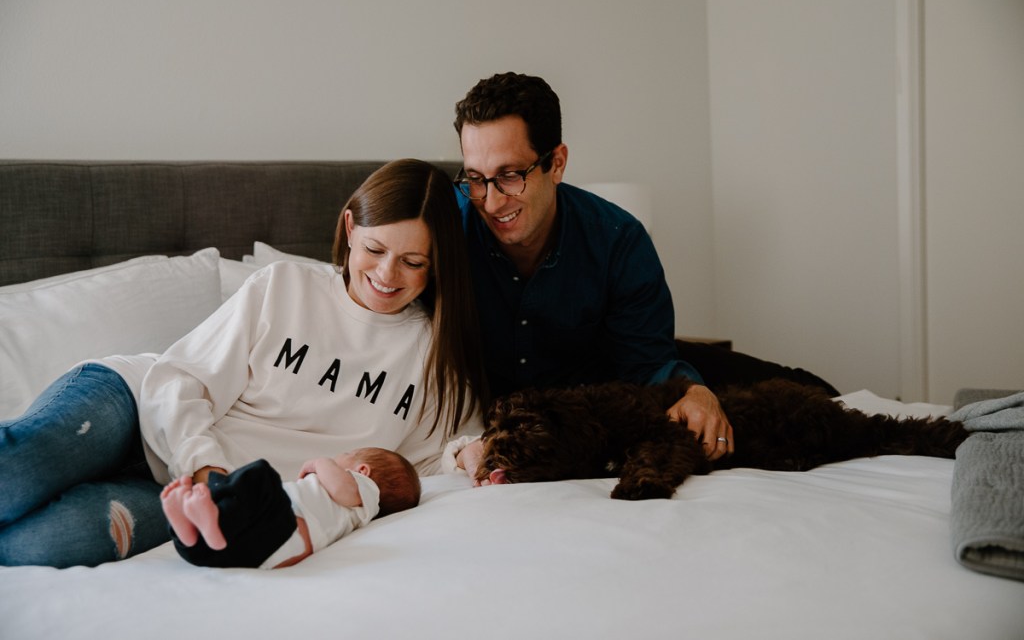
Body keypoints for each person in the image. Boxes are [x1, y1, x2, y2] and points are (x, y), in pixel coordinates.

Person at [0, 158, 487, 567]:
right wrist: (205, 467)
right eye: (374, 249)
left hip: (209, 501)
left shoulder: (435, 355)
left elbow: (430, 462)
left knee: (43, 546)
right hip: (138, 407)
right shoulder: (285, 286)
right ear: (350, 229)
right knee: (18, 473)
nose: (386, 273)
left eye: (413, 262)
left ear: (437, 263)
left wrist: (471, 455)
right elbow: (183, 378)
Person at [447, 72, 733, 480]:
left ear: (557, 163)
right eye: (476, 179)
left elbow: (645, 366)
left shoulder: (618, 239)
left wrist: (694, 390)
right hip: (500, 424)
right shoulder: (441, 232)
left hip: (604, 392)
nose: (491, 203)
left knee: (786, 385)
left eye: (510, 175)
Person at [161, 447, 419, 569]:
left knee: (260, 475)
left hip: (287, 526)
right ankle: (191, 530)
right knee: (205, 548)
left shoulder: (366, 492)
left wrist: (320, 462)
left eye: (348, 453)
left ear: (363, 470)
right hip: (267, 545)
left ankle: (208, 514)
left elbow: (344, 491)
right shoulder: (357, 506)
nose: (339, 455)